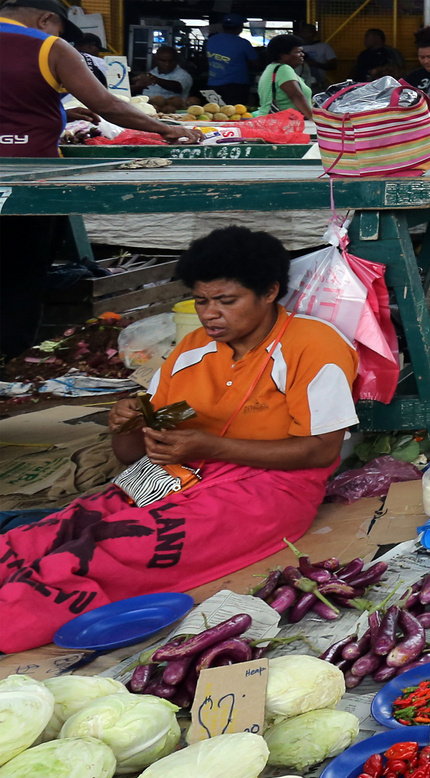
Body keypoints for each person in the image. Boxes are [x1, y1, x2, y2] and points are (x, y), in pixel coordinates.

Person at [0, 227, 358, 653]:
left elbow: (321, 451)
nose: (210, 315)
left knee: (111, 551)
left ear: (269, 293)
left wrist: (210, 448)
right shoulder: (191, 349)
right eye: (202, 301)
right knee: (55, 529)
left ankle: (15, 619)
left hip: (270, 489)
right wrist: (128, 426)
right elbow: (132, 458)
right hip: (176, 474)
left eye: (227, 301)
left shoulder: (314, 345)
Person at [1, 0, 201, 361]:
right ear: (47, 19)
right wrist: (166, 129)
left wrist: (59, 111)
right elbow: (107, 105)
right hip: (30, 184)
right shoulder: (47, 46)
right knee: (21, 276)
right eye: (61, 29)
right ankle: (11, 358)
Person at [204, 14, 254, 106]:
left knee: (215, 113)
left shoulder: (211, 40)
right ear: (240, 27)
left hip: (213, 85)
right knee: (235, 115)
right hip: (236, 87)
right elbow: (256, 63)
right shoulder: (243, 44)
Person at [256, 34, 311, 117]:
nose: (302, 55)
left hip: (270, 120)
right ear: (283, 56)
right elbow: (296, 96)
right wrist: (312, 118)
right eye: (298, 52)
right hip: (282, 123)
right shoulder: (283, 69)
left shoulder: (271, 68)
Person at [133, 44, 194, 109]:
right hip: (148, 109)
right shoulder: (152, 73)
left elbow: (177, 87)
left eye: (171, 61)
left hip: (172, 111)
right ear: (156, 60)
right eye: (163, 61)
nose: (167, 64)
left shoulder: (184, 75)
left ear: (176, 60)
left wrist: (156, 80)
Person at [296, 22, 336, 87]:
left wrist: (315, 64)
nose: (306, 35)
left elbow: (333, 65)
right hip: (299, 84)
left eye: (309, 32)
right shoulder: (295, 47)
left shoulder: (324, 46)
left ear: (315, 34)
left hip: (318, 84)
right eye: (303, 32)